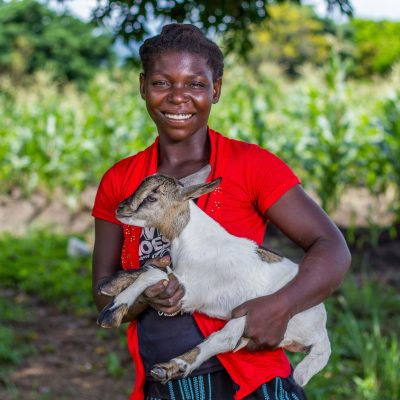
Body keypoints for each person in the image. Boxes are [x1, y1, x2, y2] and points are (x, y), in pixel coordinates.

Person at [91, 23, 351, 400]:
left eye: (195, 84)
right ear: (143, 86)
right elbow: (104, 295)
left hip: (253, 382)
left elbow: (332, 247)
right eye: (162, 83)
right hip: (167, 383)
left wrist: (279, 306)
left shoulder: (251, 166)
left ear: (215, 90)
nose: (178, 97)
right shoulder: (121, 180)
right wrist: (147, 294)